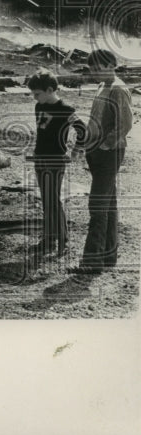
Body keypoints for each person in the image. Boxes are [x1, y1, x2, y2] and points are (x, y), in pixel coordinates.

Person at [74, 49, 133, 273]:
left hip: (110, 153)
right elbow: (93, 122)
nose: (95, 72)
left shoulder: (118, 88)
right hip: (97, 152)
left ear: (111, 65)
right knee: (108, 202)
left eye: (98, 68)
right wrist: (83, 145)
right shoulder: (101, 87)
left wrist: (105, 145)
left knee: (97, 205)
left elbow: (125, 123)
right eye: (92, 69)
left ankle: (92, 261)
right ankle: (108, 256)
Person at [25, 68, 86, 257]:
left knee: (53, 200)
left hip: (55, 160)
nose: (35, 98)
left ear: (50, 89)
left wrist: (76, 151)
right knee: (46, 200)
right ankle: (49, 239)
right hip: (40, 158)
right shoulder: (39, 107)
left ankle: (63, 239)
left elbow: (83, 129)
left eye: (38, 94)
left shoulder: (65, 110)